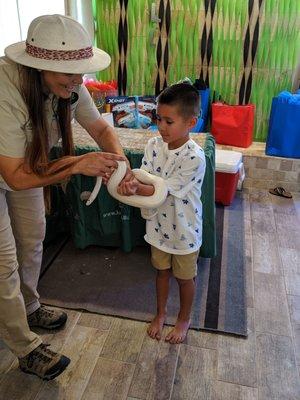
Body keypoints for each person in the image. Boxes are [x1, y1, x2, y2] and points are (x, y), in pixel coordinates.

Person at [0, 14, 129, 380]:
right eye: (69, 74)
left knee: (32, 237)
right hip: (13, 169)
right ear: (37, 66)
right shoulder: (5, 89)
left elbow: (101, 127)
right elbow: (14, 175)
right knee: (3, 261)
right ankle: (24, 347)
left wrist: (119, 164)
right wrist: (75, 164)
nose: (77, 81)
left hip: (26, 167)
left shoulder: (69, 85)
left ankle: (28, 306)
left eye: (80, 71)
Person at [118, 83, 206, 344]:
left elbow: (160, 191)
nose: (162, 126)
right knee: (161, 273)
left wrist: (134, 187)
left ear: (191, 122)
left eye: (169, 121)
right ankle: (160, 313)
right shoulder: (154, 144)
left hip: (184, 230)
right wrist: (131, 181)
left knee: (185, 278)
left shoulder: (195, 157)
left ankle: (184, 318)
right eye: (159, 118)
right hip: (157, 225)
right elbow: (144, 174)